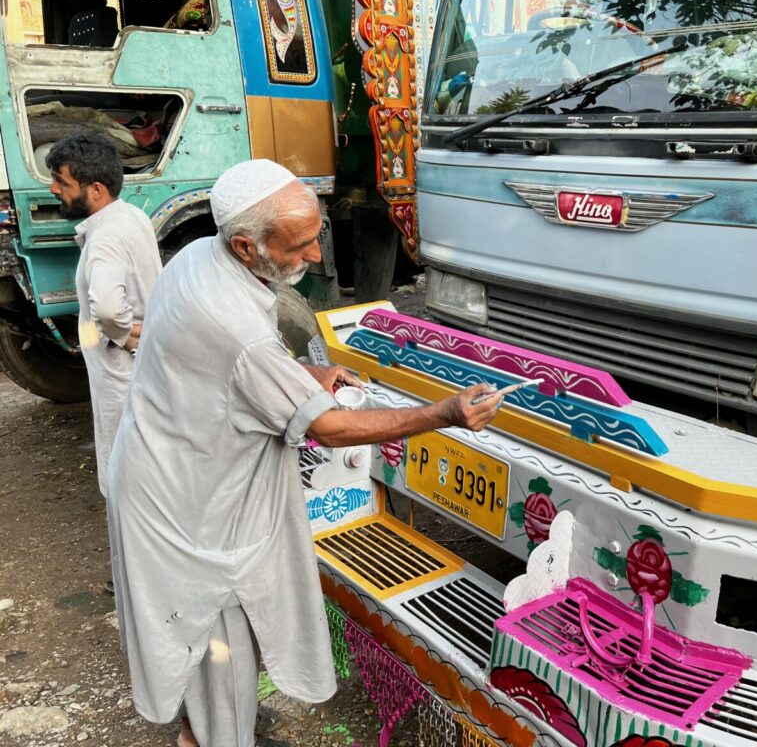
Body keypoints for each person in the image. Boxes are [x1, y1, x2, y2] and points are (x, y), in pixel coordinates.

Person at [105, 158, 501, 747]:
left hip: (161, 468)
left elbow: (218, 371)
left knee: (198, 637)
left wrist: (309, 372)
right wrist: (443, 414)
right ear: (244, 244)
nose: (316, 256)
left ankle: (201, 731)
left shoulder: (194, 259)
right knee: (219, 642)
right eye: (301, 244)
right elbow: (332, 430)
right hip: (191, 506)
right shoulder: (238, 330)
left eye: (316, 235)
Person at [46, 132, 161, 502]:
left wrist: (124, 334)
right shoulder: (131, 215)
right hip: (140, 368)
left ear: (96, 189)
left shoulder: (106, 239)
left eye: (62, 182)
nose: (53, 189)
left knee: (125, 471)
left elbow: (109, 309)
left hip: (120, 372)